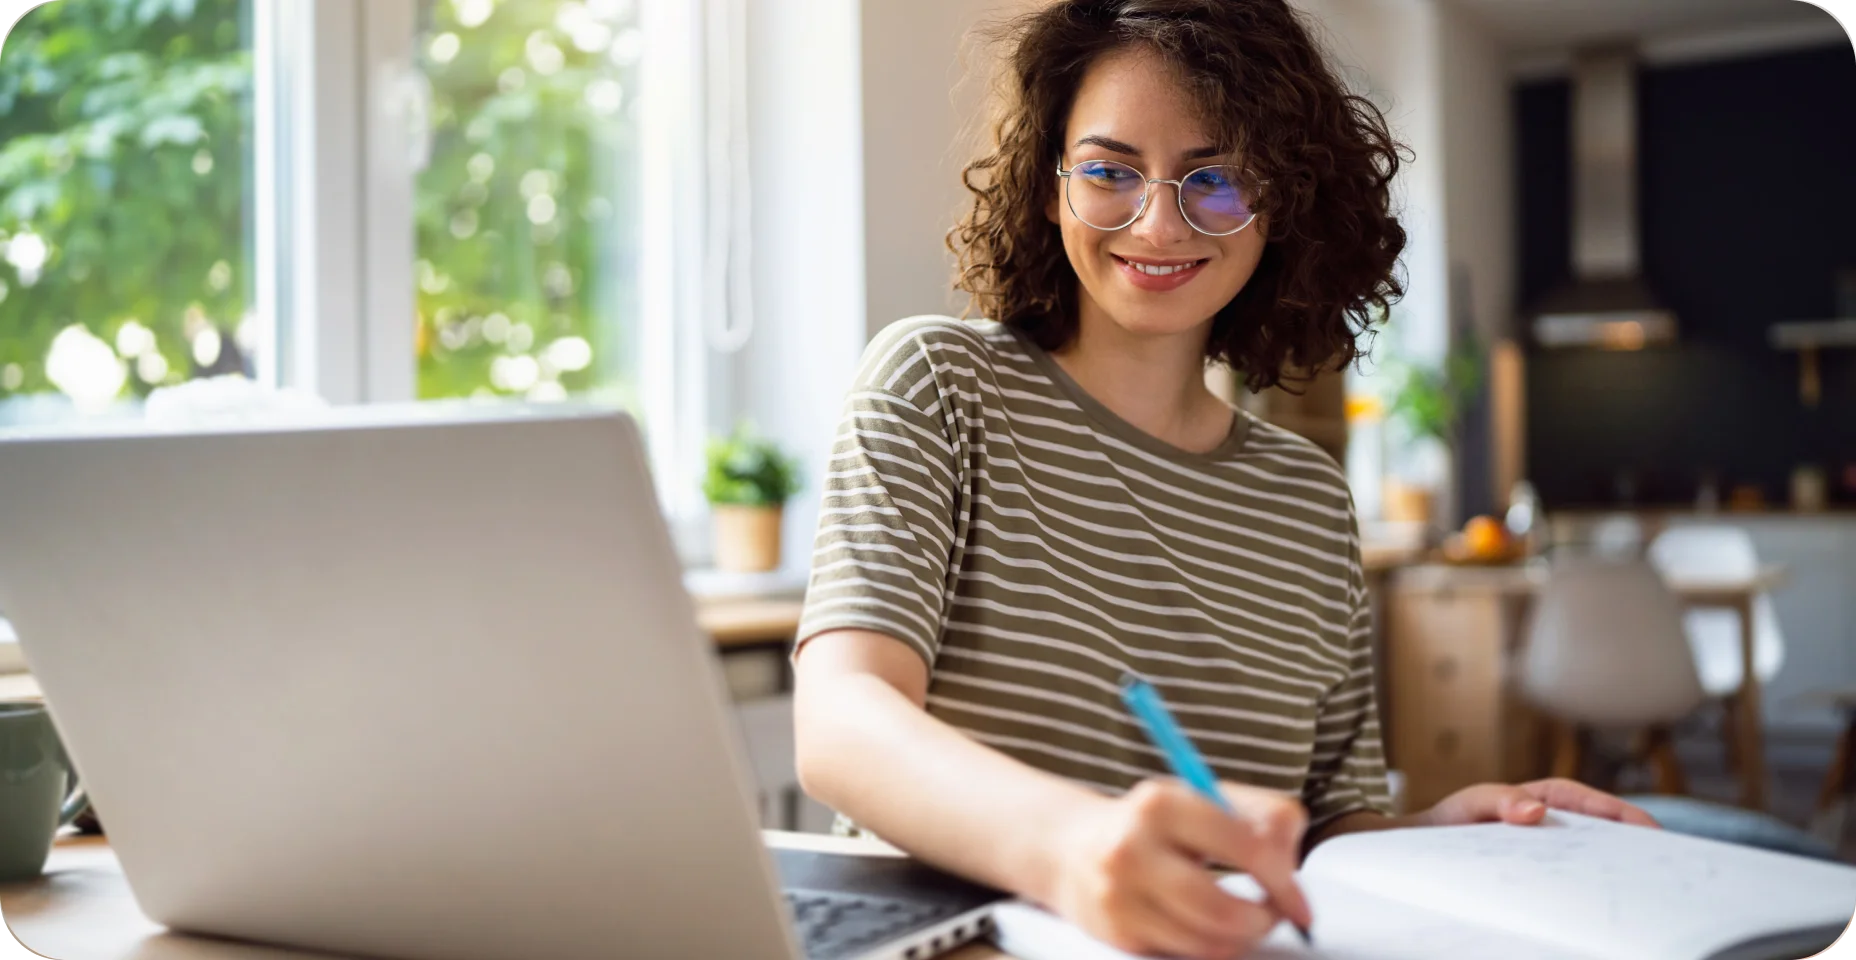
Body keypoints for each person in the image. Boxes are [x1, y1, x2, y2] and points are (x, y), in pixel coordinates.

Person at [791, 2, 1658, 958]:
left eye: (1216, 179)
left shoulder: (1308, 498)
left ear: (1281, 201)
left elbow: (1330, 829)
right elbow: (842, 724)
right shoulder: (939, 385)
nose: (1158, 222)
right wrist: (1071, 847)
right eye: (1111, 171)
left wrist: (1447, 839)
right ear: (1049, 188)